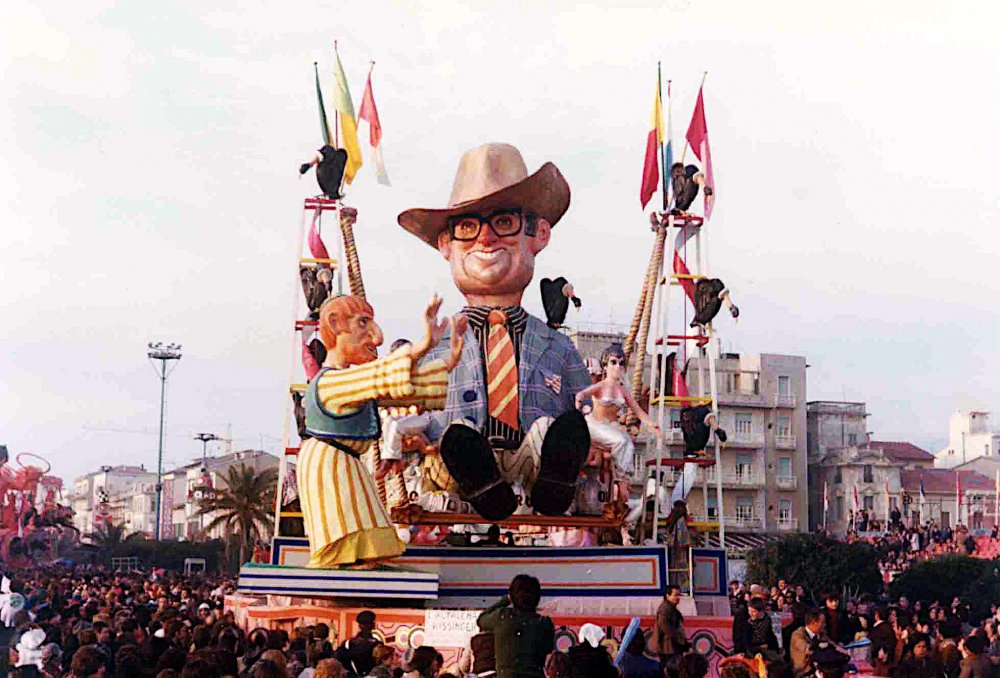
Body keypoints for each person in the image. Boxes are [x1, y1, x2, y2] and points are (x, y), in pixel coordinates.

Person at [399, 143, 592, 521]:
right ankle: (484, 487)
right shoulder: (431, 346)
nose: (485, 239)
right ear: (446, 244)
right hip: (454, 469)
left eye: (504, 222)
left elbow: (584, 406)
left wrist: (593, 433)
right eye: (467, 228)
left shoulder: (560, 347)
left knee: (549, 430)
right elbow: (407, 407)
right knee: (457, 436)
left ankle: (552, 488)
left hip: (532, 462)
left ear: (538, 234)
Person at [295, 293, 464, 567]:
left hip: (345, 464)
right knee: (345, 542)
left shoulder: (351, 381)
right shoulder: (329, 383)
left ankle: (359, 568)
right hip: (329, 466)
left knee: (367, 537)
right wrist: (424, 345)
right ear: (336, 324)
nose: (376, 338)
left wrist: (448, 363)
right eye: (363, 324)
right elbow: (378, 376)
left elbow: (402, 391)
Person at [574, 343, 662, 500]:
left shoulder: (623, 390)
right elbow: (582, 393)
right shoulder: (601, 386)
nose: (617, 367)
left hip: (612, 427)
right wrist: (579, 401)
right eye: (613, 362)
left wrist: (651, 424)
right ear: (605, 366)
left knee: (628, 443)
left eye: (621, 363)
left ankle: (623, 480)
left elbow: (638, 411)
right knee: (621, 441)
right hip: (595, 425)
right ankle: (621, 479)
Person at [476, 574, 554, 678]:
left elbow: (481, 619)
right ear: (537, 598)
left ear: (512, 596)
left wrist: (505, 600)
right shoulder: (545, 623)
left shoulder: (502, 617)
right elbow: (548, 649)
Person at [652, 585, 689, 676]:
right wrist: (681, 641)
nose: (678, 598)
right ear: (668, 596)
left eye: (679, 595)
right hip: (668, 647)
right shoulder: (665, 610)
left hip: (671, 646)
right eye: (676, 595)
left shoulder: (670, 608)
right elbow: (667, 629)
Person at [336, 610, 379, 677]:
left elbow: (339, 661)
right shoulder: (378, 645)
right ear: (373, 625)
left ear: (359, 626)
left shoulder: (348, 643)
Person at [790, 608, 826, 678]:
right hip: (803, 673)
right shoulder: (797, 635)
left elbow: (831, 643)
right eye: (822, 622)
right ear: (813, 623)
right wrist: (816, 646)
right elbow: (805, 647)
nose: (824, 625)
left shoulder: (821, 633)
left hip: (819, 669)